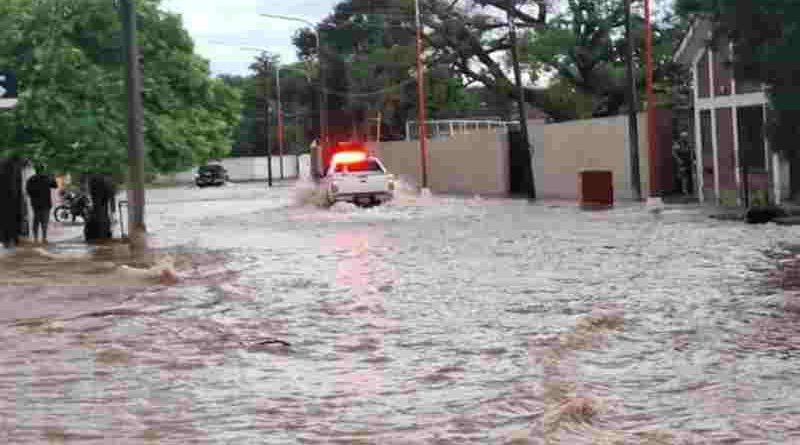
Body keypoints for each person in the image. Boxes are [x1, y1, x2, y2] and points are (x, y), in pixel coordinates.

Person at [25, 171, 57, 243]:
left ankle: (37, 238)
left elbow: (28, 191)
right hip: (44, 203)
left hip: (37, 204)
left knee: (37, 221)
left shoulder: (32, 179)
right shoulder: (46, 178)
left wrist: (33, 197)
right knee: (43, 221)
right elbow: (55, 185)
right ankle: (42, 238)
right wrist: (52, 178)